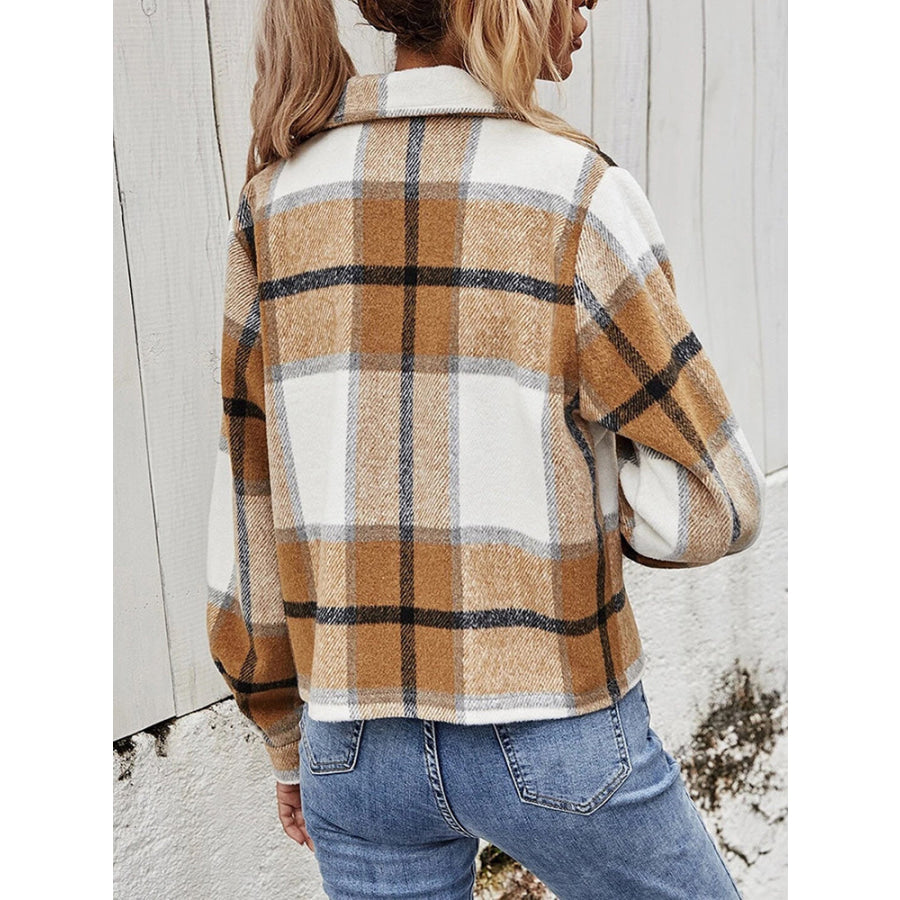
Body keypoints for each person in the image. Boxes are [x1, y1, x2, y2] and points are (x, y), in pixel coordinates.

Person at [204, 1, 765, 897]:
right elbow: (715, 502)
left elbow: (251, 495)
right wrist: (569, 485)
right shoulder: (576, 193)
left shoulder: (274, 201)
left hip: (351, 741)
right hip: (555, 726)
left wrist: (281, 733)